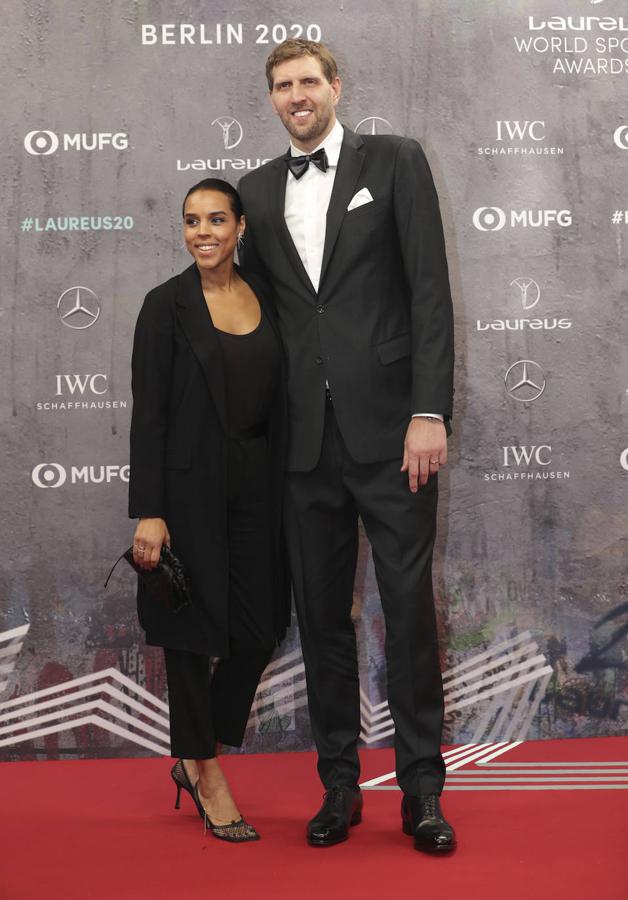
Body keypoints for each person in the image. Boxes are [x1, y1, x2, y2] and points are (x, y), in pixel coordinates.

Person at [238, 40, 456, 852]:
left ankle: (423, 794)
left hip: (396, 436)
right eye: (282, 87)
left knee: (407, 614)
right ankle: (338, 788)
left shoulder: (396, 162)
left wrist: (428, 411)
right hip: (301, 447)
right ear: (270, 101)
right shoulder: (256, 193)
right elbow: (256, 322)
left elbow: (429, 293)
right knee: (322, 621)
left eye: (308, 82)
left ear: (335, 87)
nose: (297, 96)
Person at [128, 177, 289, 843]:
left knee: (262, 625)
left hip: (261, 482)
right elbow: (150, 415)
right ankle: (204, 768)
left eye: (216, 219)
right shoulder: (164, 306)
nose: (203, 232)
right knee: (191, 637)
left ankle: (202, 744)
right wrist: (150, 511)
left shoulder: (270, 297)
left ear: (241, 227)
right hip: (188, 489)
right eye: (192, 220)